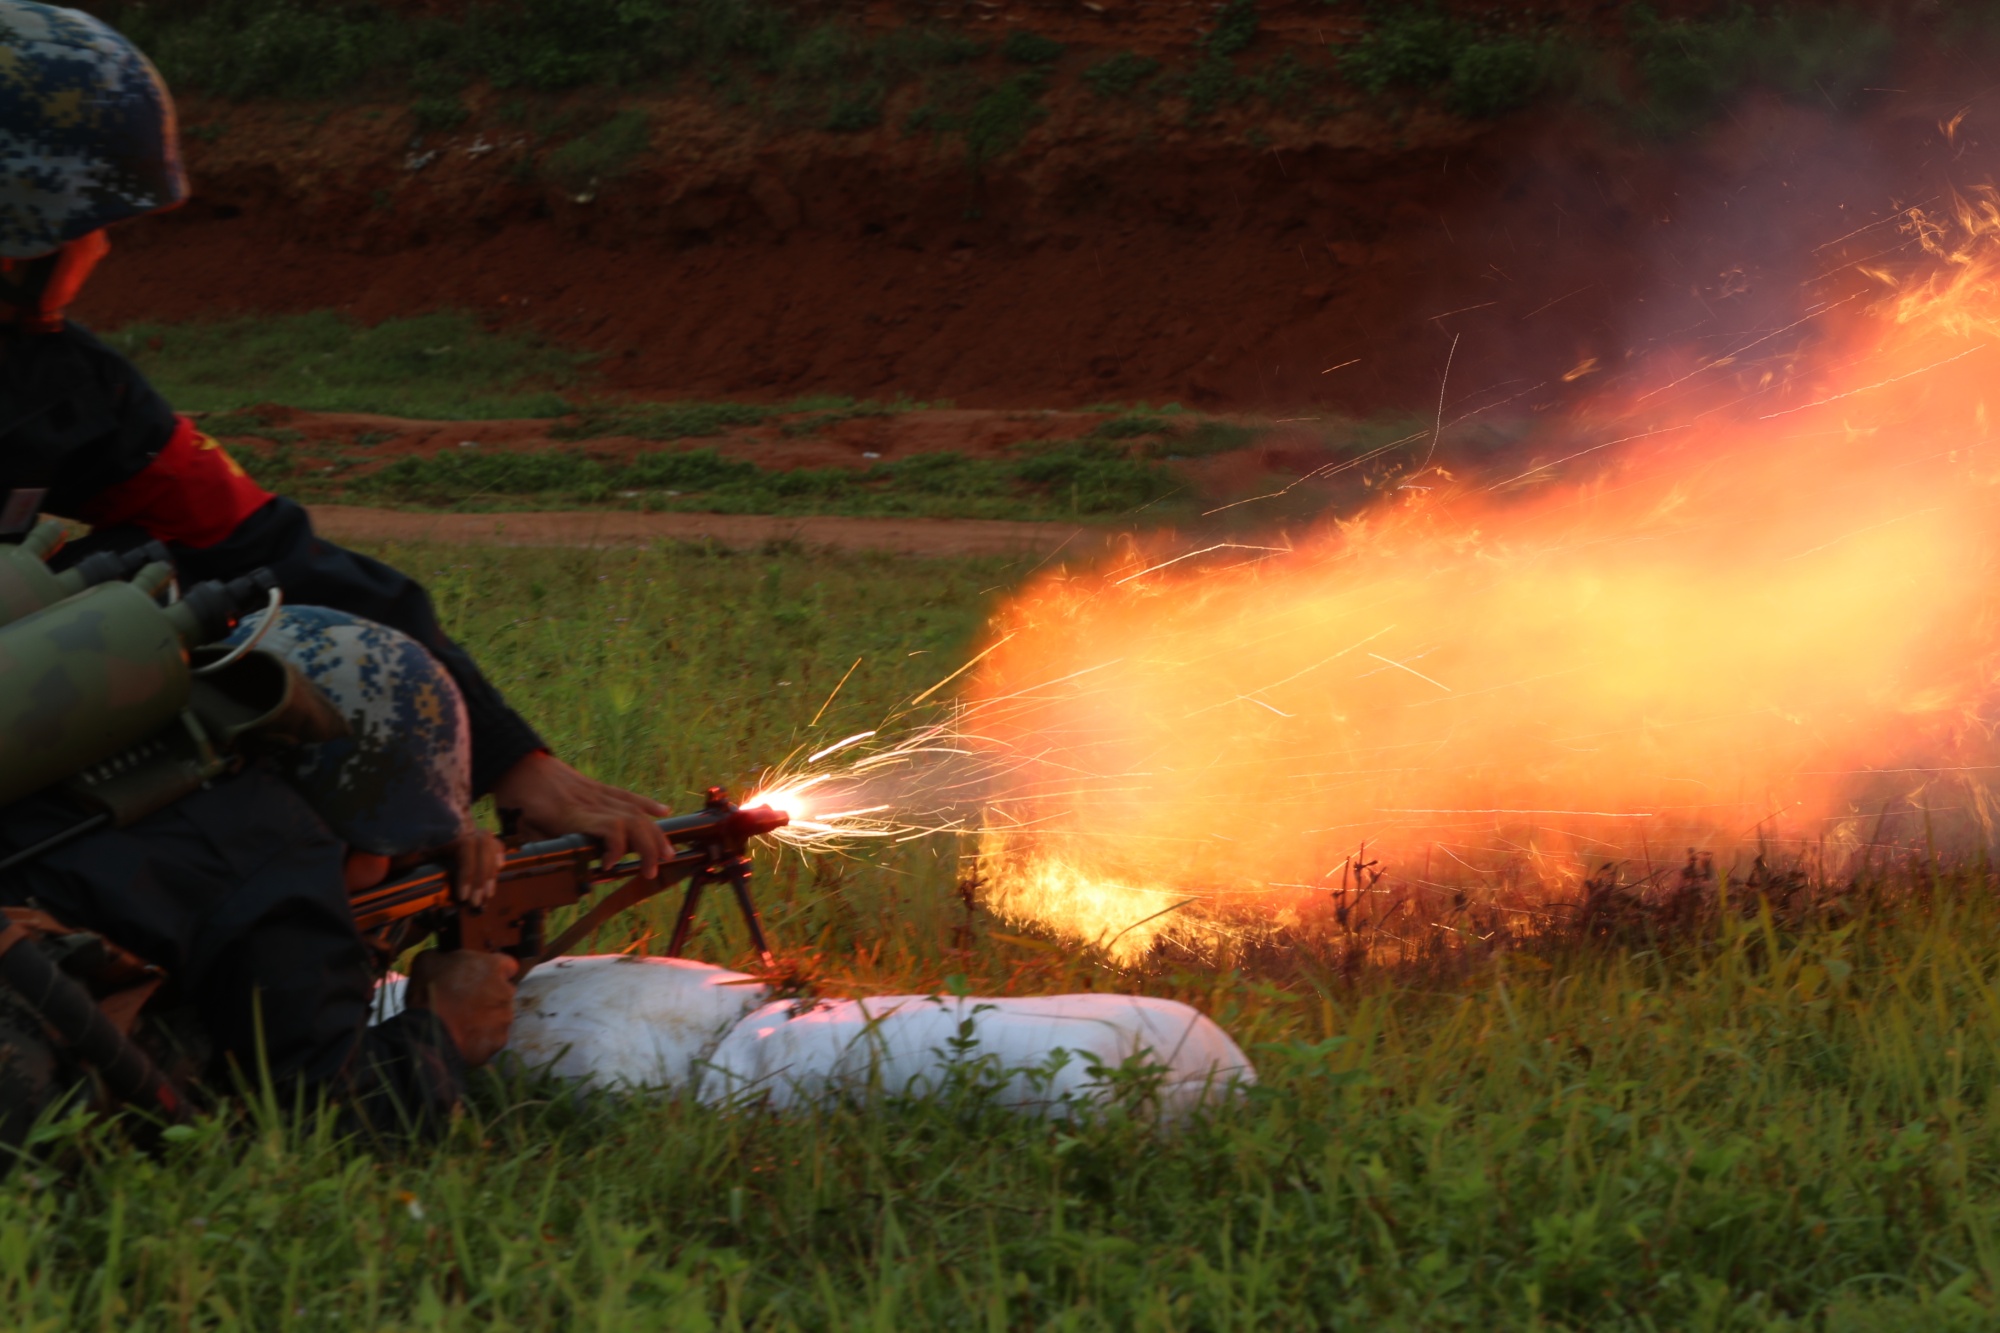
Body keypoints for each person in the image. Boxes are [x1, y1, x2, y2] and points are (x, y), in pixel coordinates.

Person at [0, 1, 664, 1126]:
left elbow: (264, 551)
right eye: (90, 222)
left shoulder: (60, 386)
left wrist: (509, 757)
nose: (105, 249)